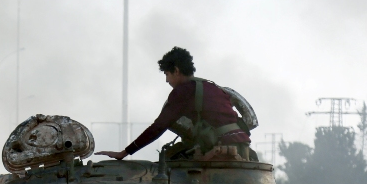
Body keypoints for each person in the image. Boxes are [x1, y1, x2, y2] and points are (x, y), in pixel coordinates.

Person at [97, 46, 252, 161]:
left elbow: (158, 127)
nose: (166, 80)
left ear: (176, 71)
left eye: (167, 74)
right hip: (243, 146)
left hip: (223, 151)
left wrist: (125, 152)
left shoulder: (183, 92)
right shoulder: (211, 86)